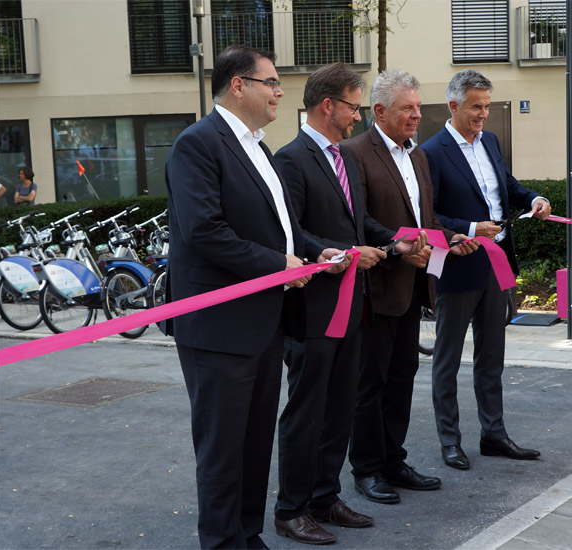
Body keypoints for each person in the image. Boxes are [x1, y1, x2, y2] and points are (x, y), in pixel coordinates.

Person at [165, 45, 345, 549]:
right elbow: (204, 231)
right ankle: (222, 542)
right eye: (271, 82)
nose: (280, 91)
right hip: (219, 328)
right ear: (238, 85)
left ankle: (247, 535)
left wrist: (314, 251)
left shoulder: (258, 147)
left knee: (253, 443)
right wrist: (278, 266)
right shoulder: (197, 144)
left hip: (265, 321)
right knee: (223, 450)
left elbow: (280, 229)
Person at [272, 63, 422, 545]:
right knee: (307, 410)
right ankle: (291, 509)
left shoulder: (342, 157)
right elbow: (290, 230)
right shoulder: (291, 159)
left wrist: (398, 243)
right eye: (353, 108)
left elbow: (363, 227)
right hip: (315, 309)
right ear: (327, 105)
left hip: (354, 305)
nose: (357, 118)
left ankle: (324, 496)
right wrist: (328, 253)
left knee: (340, 408)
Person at [345, 70, 477, 503]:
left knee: (402, 377)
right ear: (379, 111)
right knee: (370, 383)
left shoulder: (417, 156)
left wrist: (451, 238)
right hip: (375, 288)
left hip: (413, 288)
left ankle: (392, 460)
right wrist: (396, 245)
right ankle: (366, 468)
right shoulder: (354, 153)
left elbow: (426, 219)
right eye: (408, 108)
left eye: (419, 107)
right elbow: (358, 220)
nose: (417, 115)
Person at [421, 69, 551, 469]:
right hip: (459, 267)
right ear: (453, 105)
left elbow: (506, 186)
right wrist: (470, 228)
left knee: (492, 357)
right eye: (476, 107)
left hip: (497, 264)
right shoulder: (431, 152)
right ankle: (450, 441)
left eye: (487, 106)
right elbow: (430, 215)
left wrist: (535, 198)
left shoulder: (491, 141)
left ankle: (493, 435)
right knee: (447, 359)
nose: (483, 114)